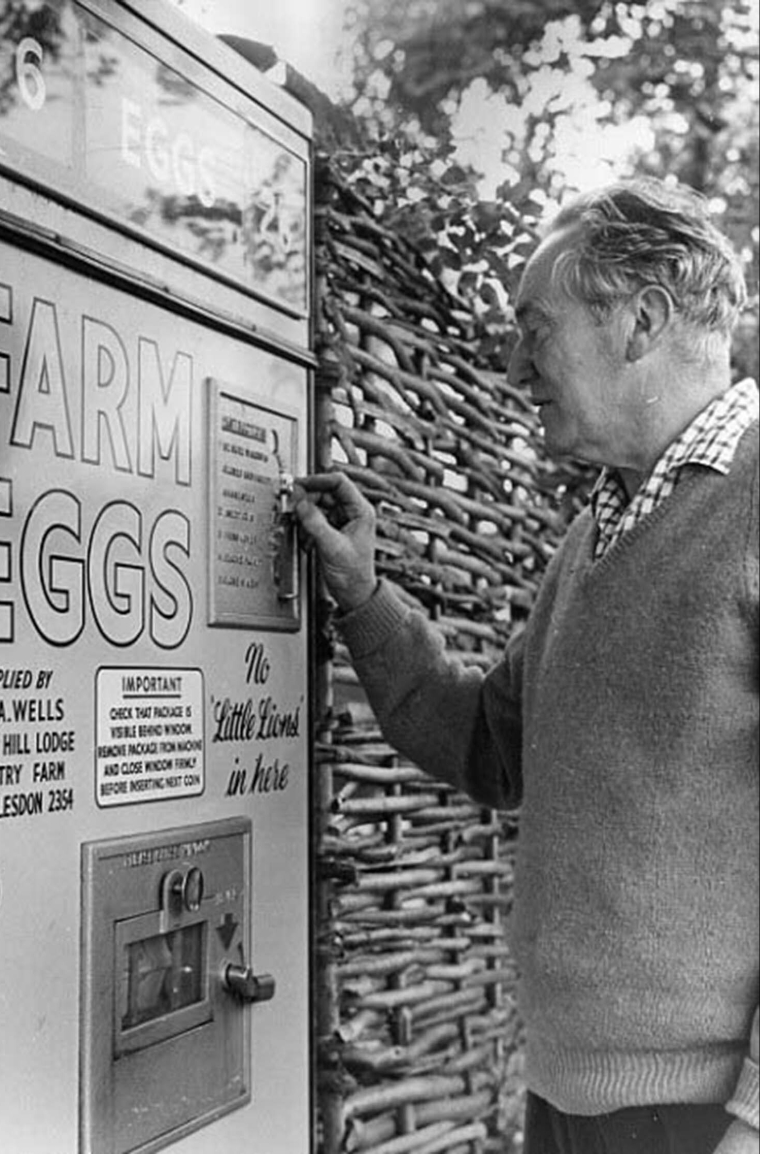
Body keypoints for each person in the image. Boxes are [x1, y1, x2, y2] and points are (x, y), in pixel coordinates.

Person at [293, 178, 759, 1154]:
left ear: (642, 320)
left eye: (534, 329)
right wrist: (363, 595)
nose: (514, 366)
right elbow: (487, 744)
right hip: (566, 1097)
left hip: (707, 1117)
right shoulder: (598, 530)